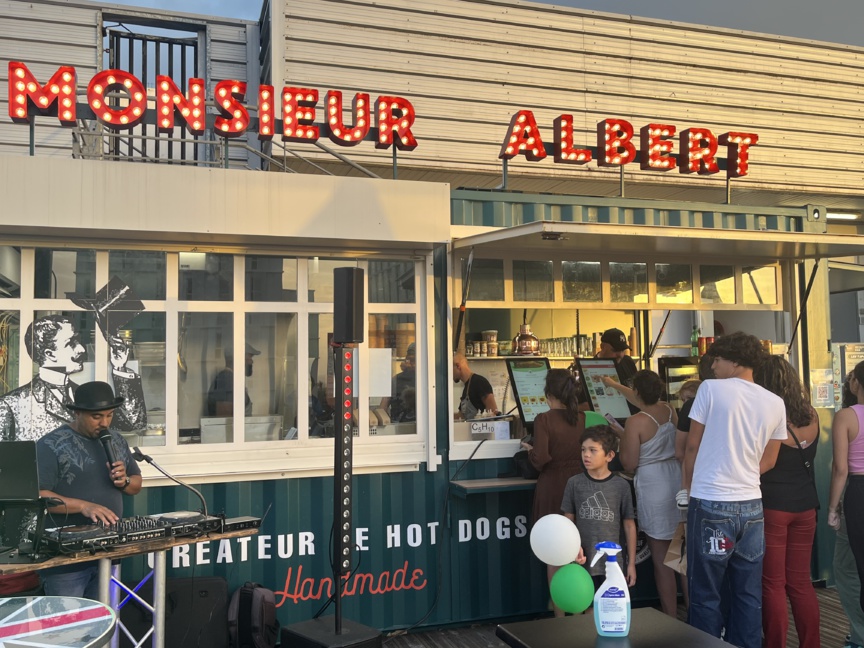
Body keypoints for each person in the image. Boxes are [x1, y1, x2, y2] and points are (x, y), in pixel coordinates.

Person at [682, 331, 786, 648]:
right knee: (748, 593)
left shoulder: (710, 390)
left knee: (705, 593)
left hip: (710, 501)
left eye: (718, 359)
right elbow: (770, 460)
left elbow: (691, 447)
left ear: (736, 361)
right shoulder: (775, 402)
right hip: (751, 506)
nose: (713, 366)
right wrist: (742, 472)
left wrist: (687, 490)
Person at [36, 381, 143, 599]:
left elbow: (136, 484)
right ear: (77, 413)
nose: (105, 423)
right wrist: (84, 506)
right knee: (68, 620)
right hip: (66, 561)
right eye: (97, 417)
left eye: (109, 415)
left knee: (105, 617)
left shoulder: (115, 440)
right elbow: (39, 496)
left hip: (108, 554)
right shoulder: (51, 444)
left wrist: (124, 481)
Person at [754, 355, 820, 648]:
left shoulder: (769, 415)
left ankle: (775, 644)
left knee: (772, 583)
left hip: (773, 506)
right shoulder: (811, 414)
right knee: (801, 582)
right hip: (806, 505)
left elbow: (764, 462)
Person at [0, 314, 147, 441]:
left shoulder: (85, 395)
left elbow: (133, 425)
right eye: (71, 343)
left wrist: (120, 368)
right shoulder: (12, 404)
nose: (81, 349)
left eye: (78, 341)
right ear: (49, 354)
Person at [610, 370, 684, 617]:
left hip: (653, 485)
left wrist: (622, 436)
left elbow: (629, 462)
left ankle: (670, 616)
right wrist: (613, 384)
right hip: (676, 479)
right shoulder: (670, 410)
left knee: (662, 561)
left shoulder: (636, 422)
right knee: (682, 559)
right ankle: (694, 616)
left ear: (638, 393)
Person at [520, 369, 585, 617]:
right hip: (578, 484)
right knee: (577, 548)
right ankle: (578, 609)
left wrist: (529, 450)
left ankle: (559, 616)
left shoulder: (543, 420)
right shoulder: (581, 418)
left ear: (548, 395)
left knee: (555, 551)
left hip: (553, 485)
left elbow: (542, 458)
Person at [561, 425, 637, 591]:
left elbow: (629, 525)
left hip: (614, 564)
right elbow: (568, 521)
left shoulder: (621, 486)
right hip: (583, 560)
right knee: (586, 602)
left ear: (610, 455)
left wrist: (631, 564)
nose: (586, 455)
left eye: (593, 450)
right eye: (583, 450)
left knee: (612, 602)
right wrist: (573, 549)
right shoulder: (574, 483)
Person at [829, 360, 864, 615]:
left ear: (856, 384)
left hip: (859, 491)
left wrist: (833, 508)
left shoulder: (846, 416)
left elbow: (840, 469)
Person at [207, 341, 260, 416]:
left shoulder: (230, 379)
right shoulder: (226, 380)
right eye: (249, 357)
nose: (251, 361)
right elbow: (224, 418)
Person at [453, 353, 499, 419]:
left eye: (451, 369)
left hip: (481, 425)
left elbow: (493, 412)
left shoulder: (480, 382)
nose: (450, 373)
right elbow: (461, 416)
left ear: (458, 366)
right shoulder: (466, 387)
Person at [381, 343, 416, 422]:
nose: (409, 364)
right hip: (398, 425)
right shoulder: (395, 380)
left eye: (413, 360)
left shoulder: (426, 381)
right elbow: (383, 408)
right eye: (408, 360)